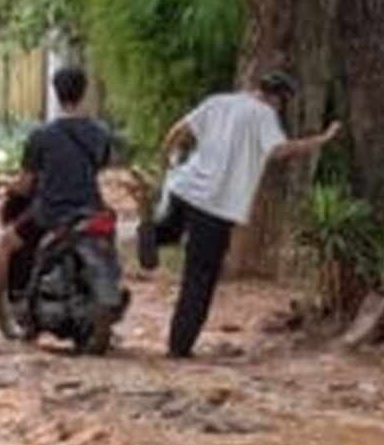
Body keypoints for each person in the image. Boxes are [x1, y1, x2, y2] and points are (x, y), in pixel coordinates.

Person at [137, 70, 343, 358]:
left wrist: (166, 164)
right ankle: (178, 347)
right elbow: (279, 151)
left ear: (254, 87)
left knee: (171, 229)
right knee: (200, 276)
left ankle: (153, 233)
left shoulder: (218, 102)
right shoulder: (264, 115)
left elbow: (178, 131)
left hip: (185, 187)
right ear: (279, 100)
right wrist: (321, 140)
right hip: (217, 206)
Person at [0, 66, 113, 328]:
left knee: (6, 243)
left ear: (56, 93)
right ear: (84, 92)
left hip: (52, 214)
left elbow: (24, 185)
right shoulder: (100, 132)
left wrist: (6, 184)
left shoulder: (42, 136)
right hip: (92, 211)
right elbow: (99, 167)